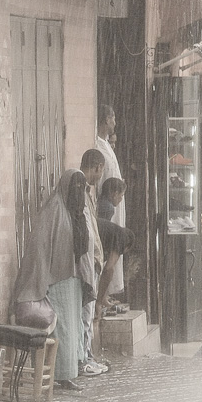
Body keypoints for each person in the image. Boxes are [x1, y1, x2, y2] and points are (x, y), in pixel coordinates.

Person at [11, 169, 90, 391]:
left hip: (72, 280)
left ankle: (67, 375)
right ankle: (57, 374)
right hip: (55, 281)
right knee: (60, 330)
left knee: (70, 330)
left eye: (81, 187)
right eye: (74, 186)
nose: (78, 191)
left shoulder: (76, 212)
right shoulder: (53, 210)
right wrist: (40, 281)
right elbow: (40, 248)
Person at [79, 149, 108, 377]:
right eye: (101, 171)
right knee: (86, 314)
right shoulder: (80, 192)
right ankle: (85, 359)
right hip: (87, 263)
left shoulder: (87, 192)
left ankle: (87, 356)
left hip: (93, 261)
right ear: (97, 167)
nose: (100, 176)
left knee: (87, 315)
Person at [96, 104, 126, 296]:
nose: (115, 122)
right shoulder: (97, 144)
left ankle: (107, 293)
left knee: (115, 248)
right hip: (106, 205)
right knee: (107, 249)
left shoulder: (106, 144)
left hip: (115, 203)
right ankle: (102, 294)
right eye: (113, 118)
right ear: (106, 120)